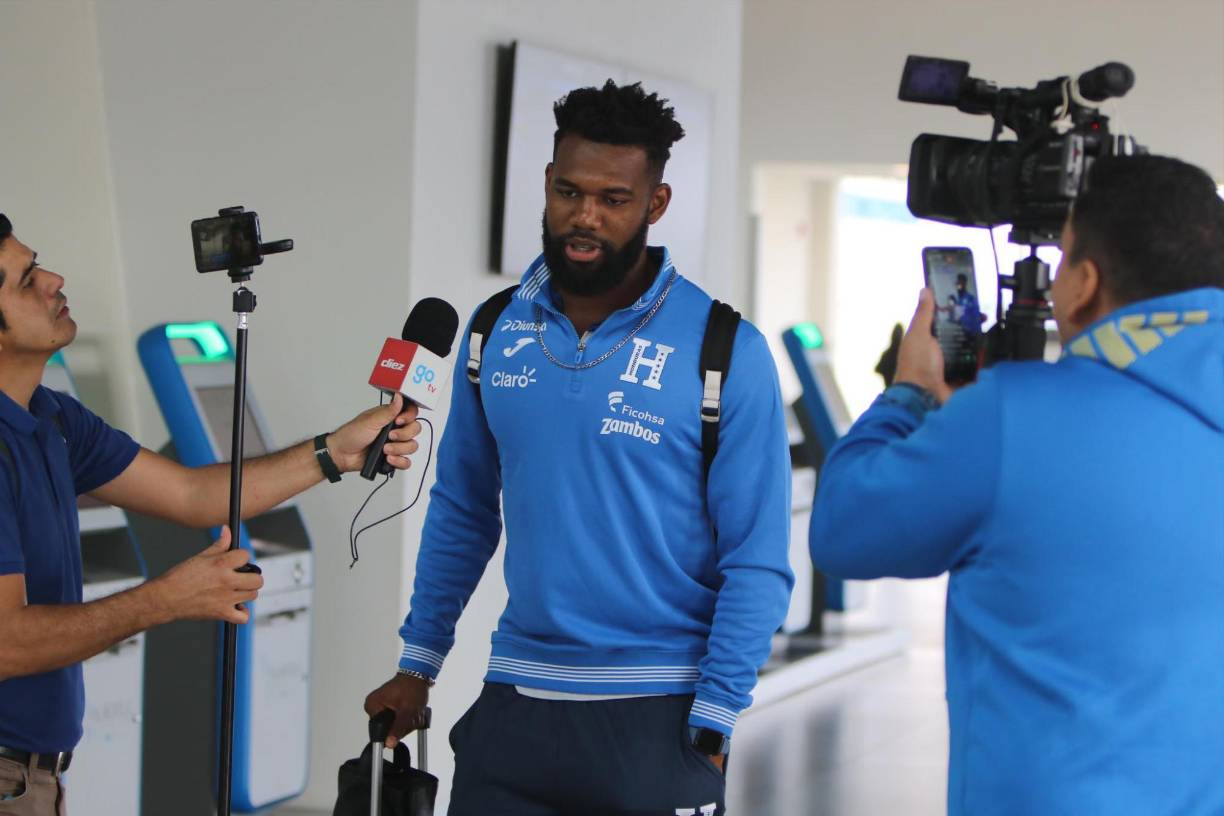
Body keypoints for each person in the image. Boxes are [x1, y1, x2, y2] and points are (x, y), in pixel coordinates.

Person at [364, 80, 793, 815]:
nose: (583, 217)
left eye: (613, 199)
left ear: (654, 205)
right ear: (545, 185)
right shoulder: (494, 330)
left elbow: (755, 556)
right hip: (514, 708)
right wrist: (419, 663)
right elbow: (464, 509)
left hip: (658, 712)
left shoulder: (725, 350)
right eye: (568, 191)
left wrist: (717, 715)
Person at [809, 154, 1224, 815]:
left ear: (1085, 282)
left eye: (1061, 262)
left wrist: (910, 393)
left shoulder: (1013, 416)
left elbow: (843, 532)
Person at [0, 212, 422, 816]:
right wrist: (165, 599)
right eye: (25, 280)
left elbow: (194, 494)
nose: (54, 280)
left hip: (36, 775)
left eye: (38, 263)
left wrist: (334, 453)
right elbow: (6, 644)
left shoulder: (54, 417)